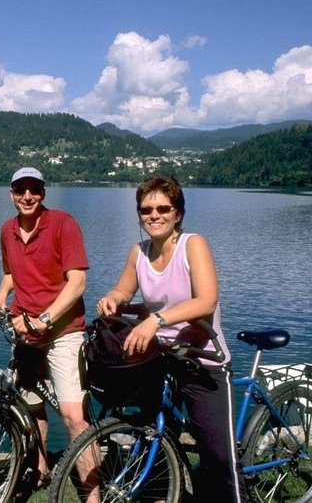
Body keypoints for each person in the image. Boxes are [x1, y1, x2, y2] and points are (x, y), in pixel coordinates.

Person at [97, 176, 246, 501]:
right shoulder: (139, 252)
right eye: (146, 209)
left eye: (163, 208)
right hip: (162, 359)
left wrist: (156, 319)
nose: (154, 215)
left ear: (178, 213)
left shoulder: (193, 245)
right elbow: (124, 289)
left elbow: (206, 300)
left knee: (219, 456)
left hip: (203, 361)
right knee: (153, 437)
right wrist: (114, 297)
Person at [0, 167, 91, 489]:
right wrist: (1, 297)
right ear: (11, 194)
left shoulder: (62, 223)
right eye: (20, 190)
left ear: (43, 193)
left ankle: (93, 493)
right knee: (31, 409)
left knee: (73, 416)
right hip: (24, 333)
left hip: (63, 331)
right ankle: (40, 470)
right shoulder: (7, 230)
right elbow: (11, 275)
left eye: (34, 190)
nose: (27, 196)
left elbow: (78, 282)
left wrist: (44, 318)